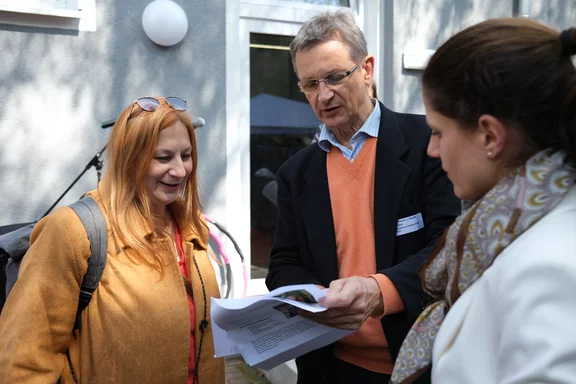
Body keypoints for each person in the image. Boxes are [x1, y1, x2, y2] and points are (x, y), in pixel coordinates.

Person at [265, 10, 461, 384]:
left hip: (420, 364)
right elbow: (283, 264)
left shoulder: (428, 143)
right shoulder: (296, 172)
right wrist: (316, 301)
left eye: (335, 77)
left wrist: (379, 291)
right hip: (327, 366)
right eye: (309, 84)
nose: (323, 95)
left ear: (367, 69)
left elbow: (450, 246)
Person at [391, 19, 576, 384]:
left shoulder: (549, 267)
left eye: (437, 131)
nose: (431, 149)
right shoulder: (509, 230)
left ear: (490, 135)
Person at [0, 96, 225, 383]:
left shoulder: (190, 227)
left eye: (186, 155)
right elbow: (24, 359)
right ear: (130, 159)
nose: (180, 170)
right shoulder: (72, 230)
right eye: (163, 157)